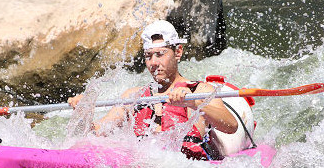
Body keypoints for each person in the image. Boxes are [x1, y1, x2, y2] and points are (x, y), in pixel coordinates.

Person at [68, 20, 238, 160]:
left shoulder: (200, 90)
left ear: (178, 52)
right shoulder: (133, 96)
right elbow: (95, 134)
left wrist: (193, 103)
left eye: (160, 54)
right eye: (148, 56)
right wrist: (84, 111)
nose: (153, 63)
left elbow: (231, 126)